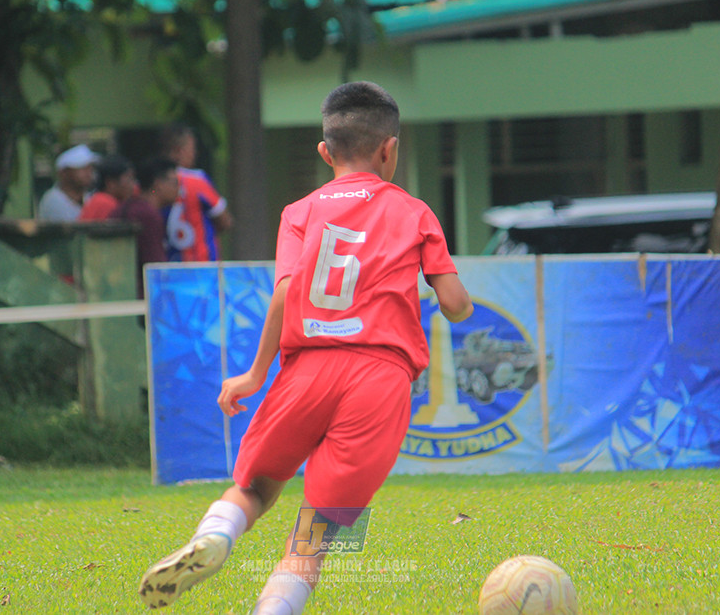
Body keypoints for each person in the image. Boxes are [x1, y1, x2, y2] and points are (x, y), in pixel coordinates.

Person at [138, 82, 474, 612]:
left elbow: (285, 294)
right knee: (313, 539)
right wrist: (459, 304)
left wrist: (254, 375)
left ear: (325, 152)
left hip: (306, 371)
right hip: (379, 378)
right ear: (389, 150)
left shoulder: (300, 211)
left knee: (255, 488)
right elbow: (453, 303)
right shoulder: (414, 212)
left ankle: (216, 534)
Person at [159, 122, 233, 261]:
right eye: (192, 148)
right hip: (201, 263)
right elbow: (225, 221)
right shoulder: (197, 180)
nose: (195, 154)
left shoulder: (155, 182)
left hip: (168, 264)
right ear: (178, 151)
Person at [109, 156, 181, 298]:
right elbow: (156, 267)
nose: (179, 189)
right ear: (158, 184)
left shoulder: (126, 207)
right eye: (175, 183)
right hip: (140, 298)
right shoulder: (148, 215)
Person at [37, 144, 98, 221]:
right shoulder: (53, 200)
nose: (88, 173)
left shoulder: (90, 198)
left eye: (90, 168)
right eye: (82, 168)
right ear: (64, 172)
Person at [79, 154, 138, 221]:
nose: (133, 185)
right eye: (129, 179)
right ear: (111, 183)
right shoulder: (106, 203)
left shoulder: (99, 198)